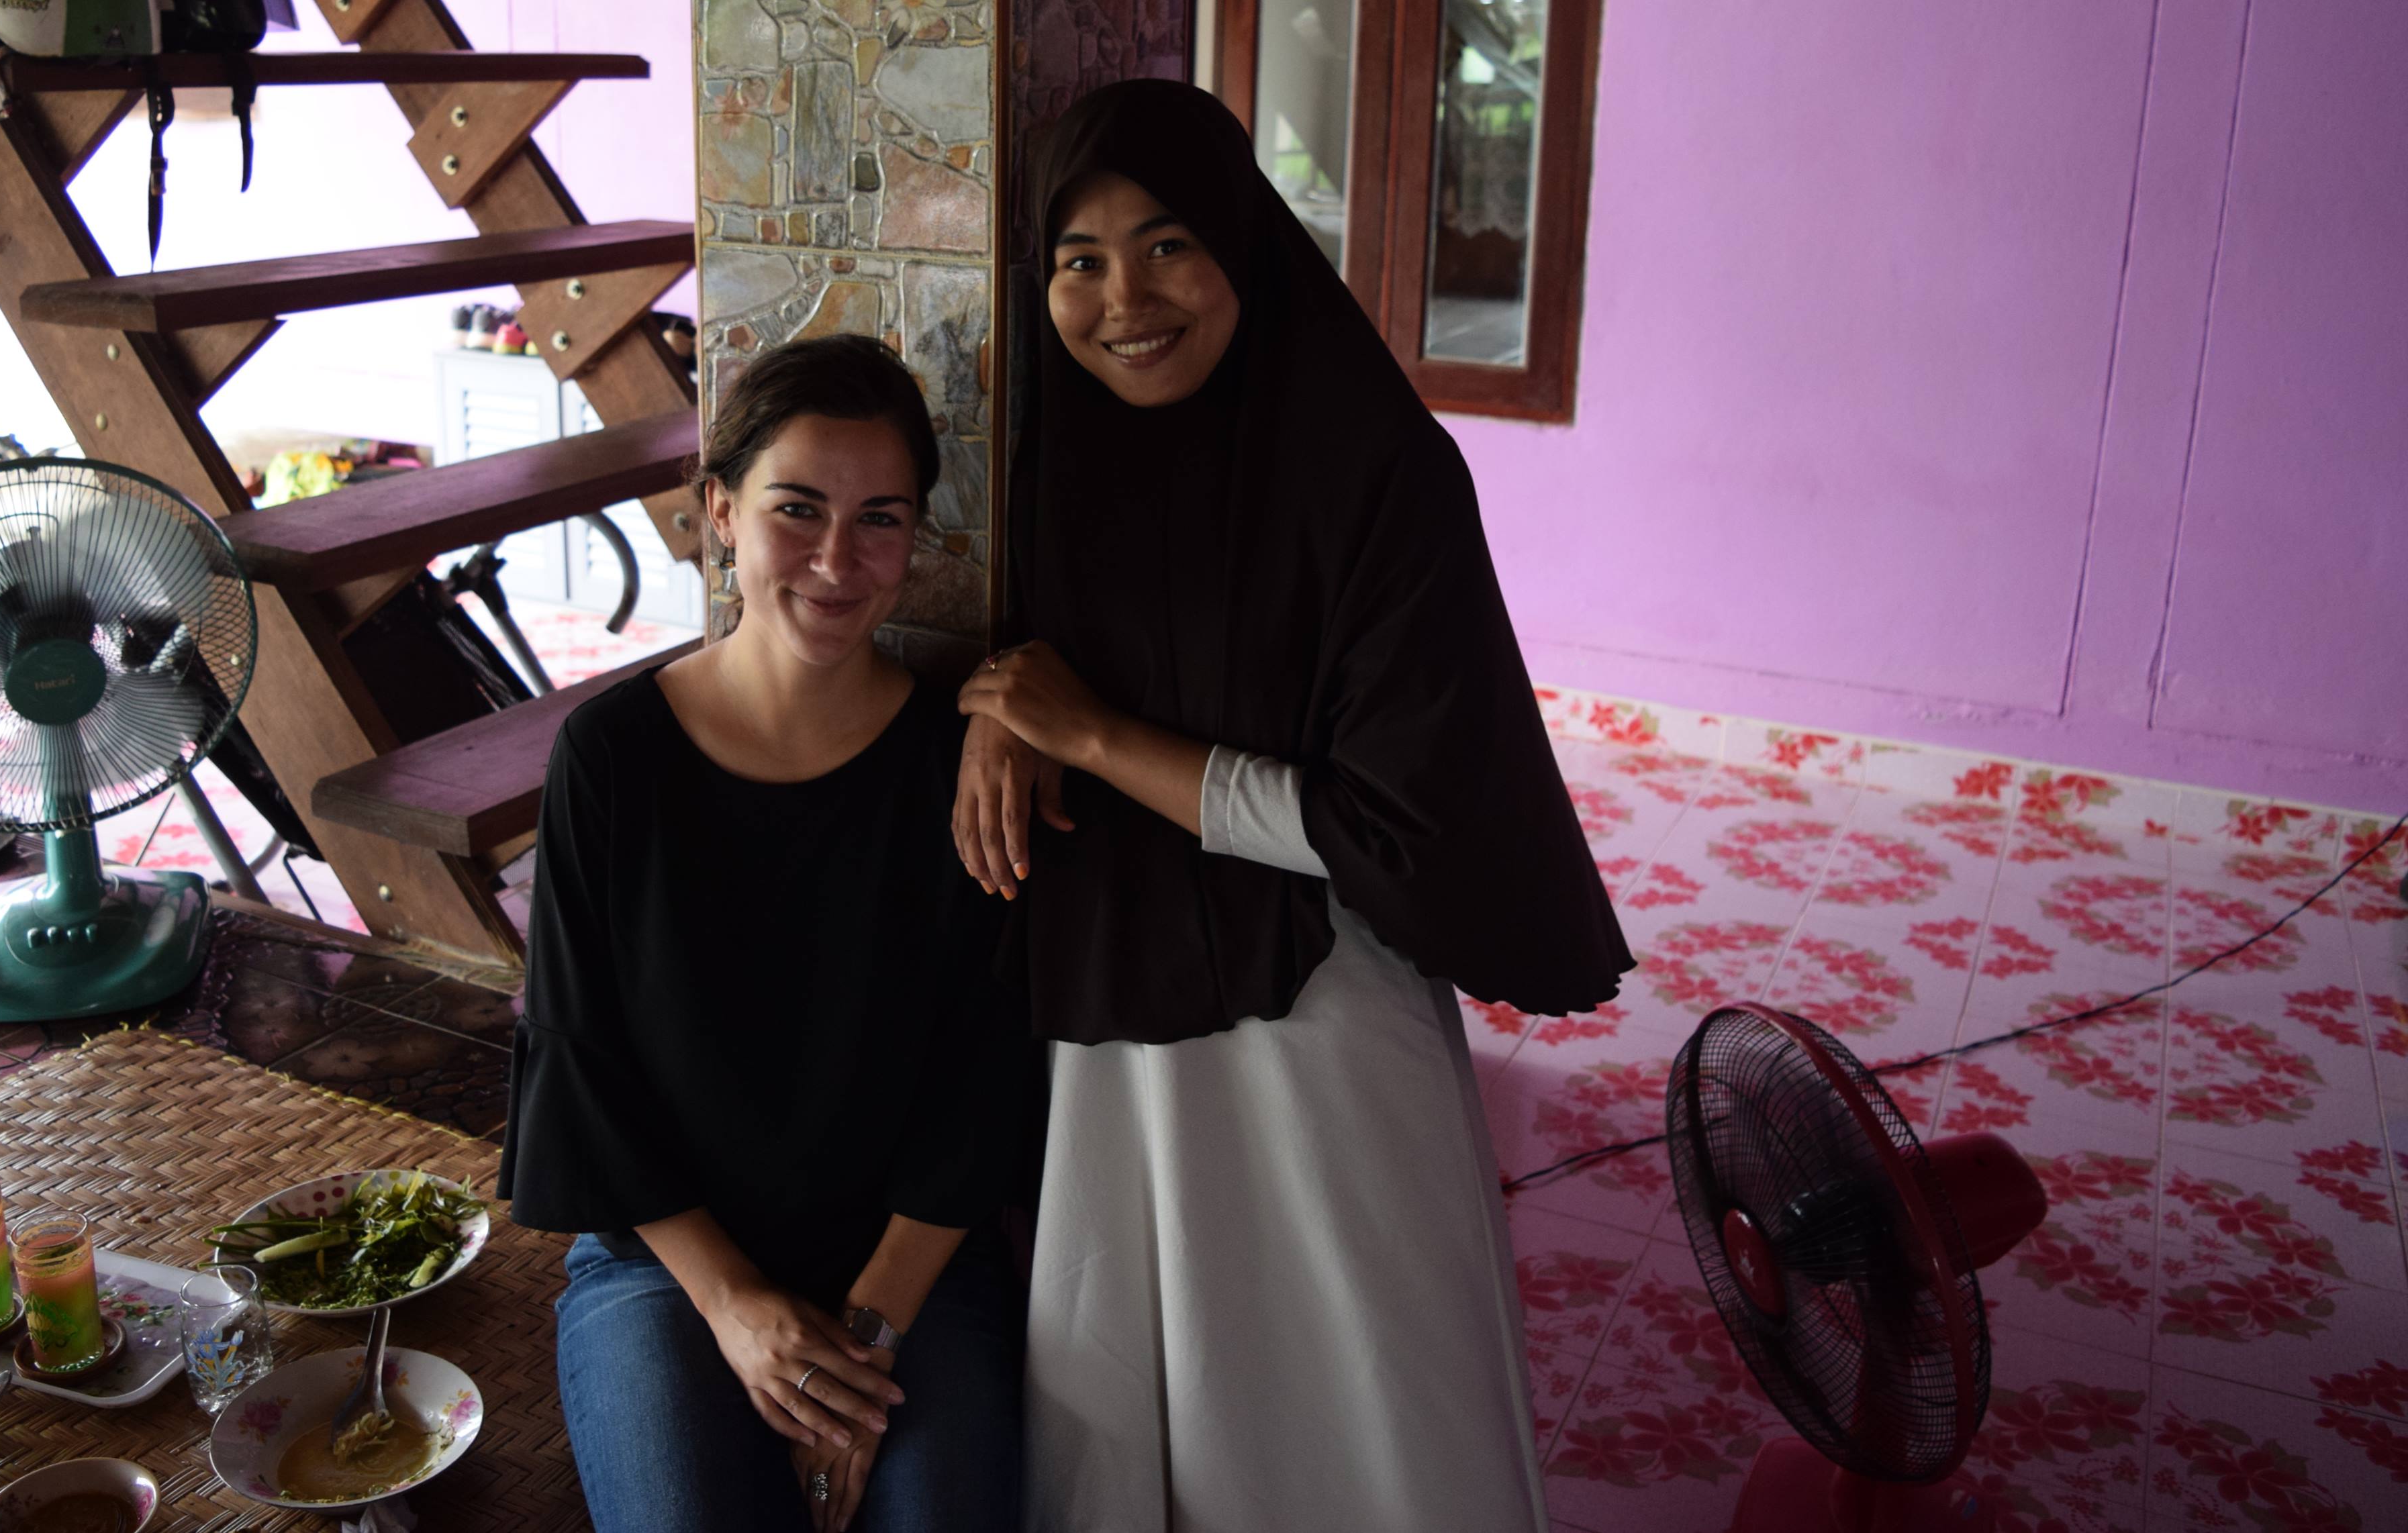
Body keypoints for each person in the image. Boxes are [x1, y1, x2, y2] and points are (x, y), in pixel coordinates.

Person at [954, 79, 1633, 1531]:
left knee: (1360, 1397)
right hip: (1116, 1031)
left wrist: (1096, 736)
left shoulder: (1378, 476)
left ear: (1244, 242)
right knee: (1143, 1389)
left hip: (1319, 1018)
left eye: (1166, 244)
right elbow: (1012, 655)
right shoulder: (1049, 458)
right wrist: (998, 707)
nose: (1124, 301)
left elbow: (1391, 825)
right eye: (1078, 259)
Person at [503, 335, 1024, 1533]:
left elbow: (985, 1076)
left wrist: (861, 1346)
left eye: (880, 519)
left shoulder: (960, 765)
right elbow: (578, 1061)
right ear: (721, 512)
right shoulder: (611, 759)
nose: (838, 561)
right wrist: (738, 1309)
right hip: (669, 1262)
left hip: (911, 1264)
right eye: (797, 510)